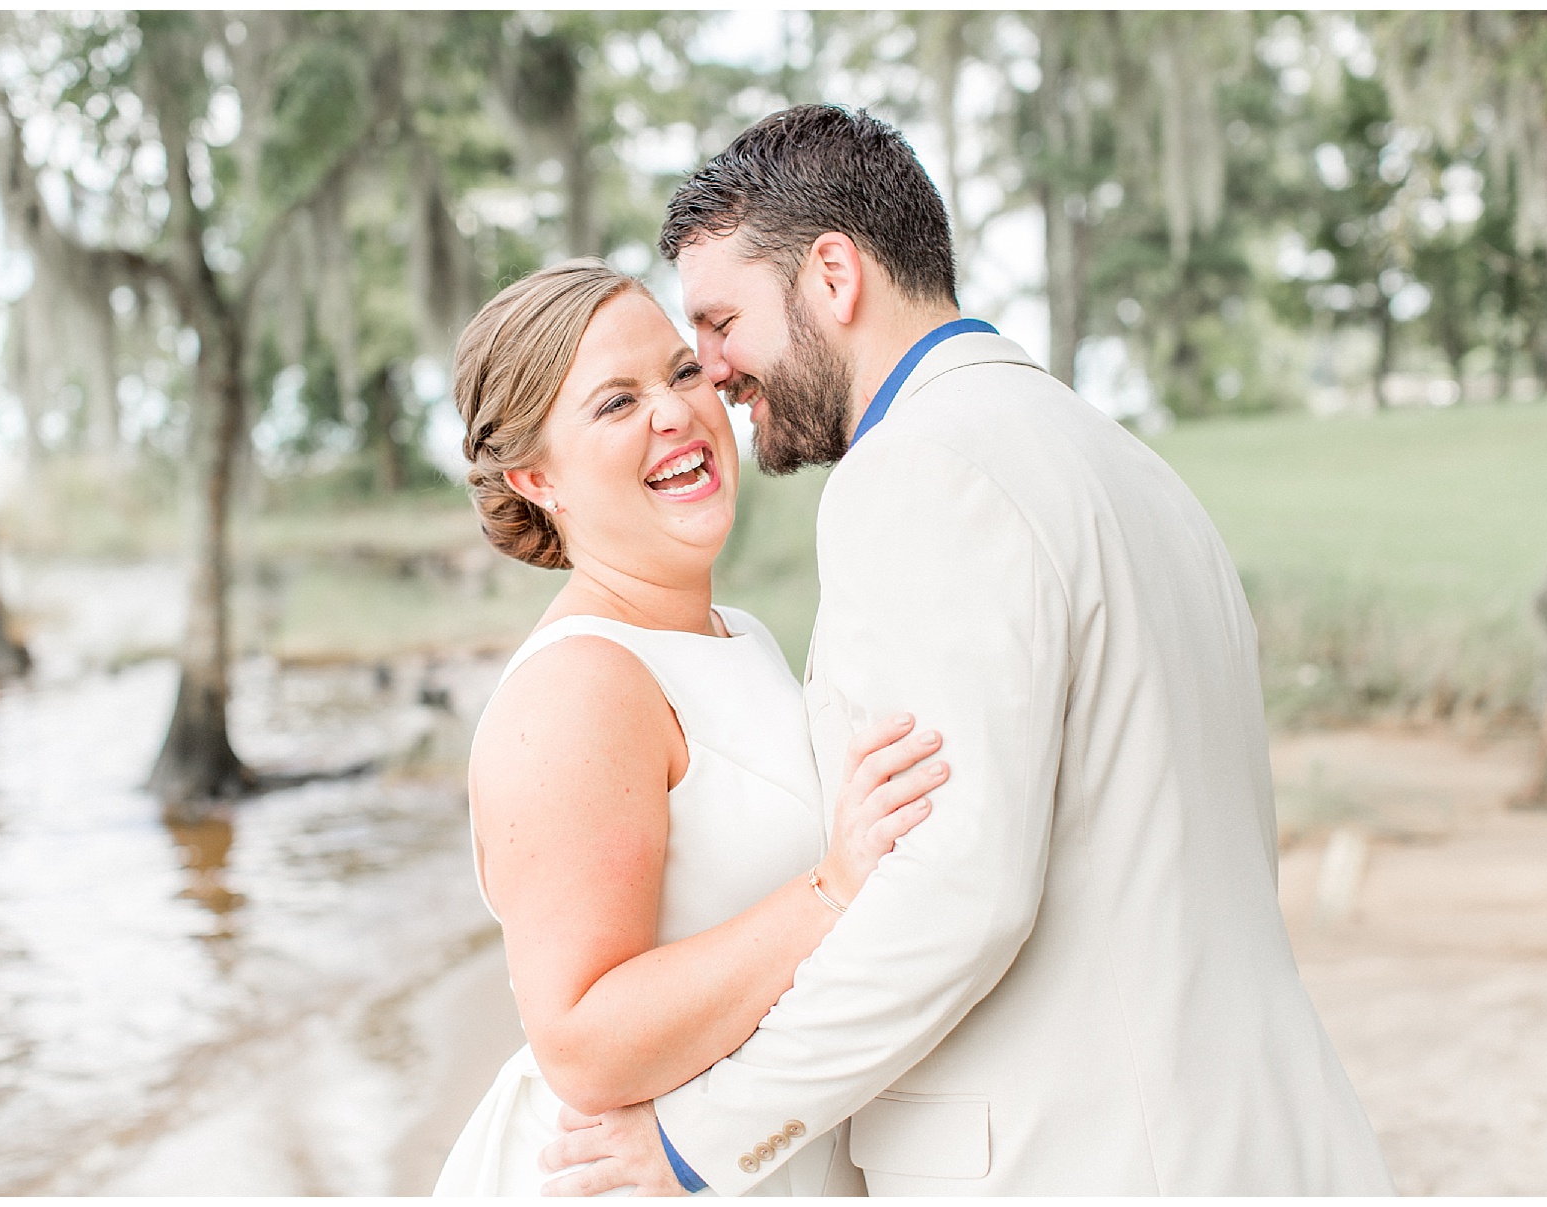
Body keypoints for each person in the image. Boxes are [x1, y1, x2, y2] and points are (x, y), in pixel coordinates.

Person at [538, 105, 1395, 1196]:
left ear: (833, 276)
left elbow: (955, 891)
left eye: (720, 323)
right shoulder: (1126, 462)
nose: (711, 374)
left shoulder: (921, 471)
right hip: (1268, 1139)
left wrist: (699, 1138)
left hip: (1087, 1163)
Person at [431, 259, 950, 1196]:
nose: (673, 412)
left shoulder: (734, 634)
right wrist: (830, 887)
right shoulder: (578, 690)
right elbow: (582, 1040)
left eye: (679, 372)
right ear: (535, 475)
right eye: (615, 403)